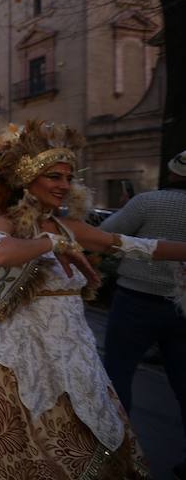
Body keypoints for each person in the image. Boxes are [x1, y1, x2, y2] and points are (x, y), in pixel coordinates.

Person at [0, 121, 186, 479]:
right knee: (15, 447)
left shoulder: (70, 226)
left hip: (75, 354)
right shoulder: (4, 222)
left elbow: (140, 246)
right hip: (20, 355)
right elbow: (1, 254)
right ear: (28, 180)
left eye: (68, 177)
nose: (64, 185)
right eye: (54, 176)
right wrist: (53, 243)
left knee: (91, 438)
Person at [100, 149, 186, 479]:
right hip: (182, 305)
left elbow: (106, 234)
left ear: (172, 172)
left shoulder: (147, 202)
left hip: (135, 300)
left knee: (118, 374)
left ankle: (114, 451)